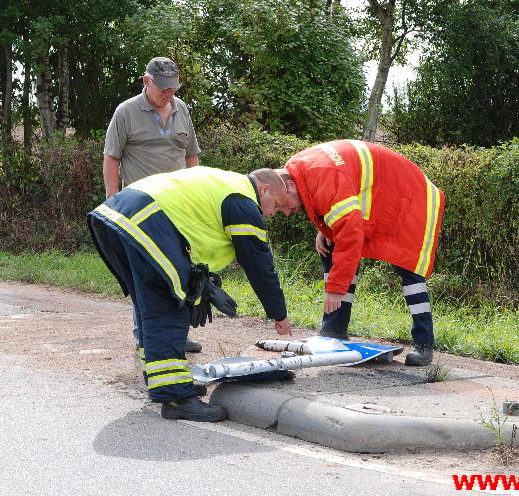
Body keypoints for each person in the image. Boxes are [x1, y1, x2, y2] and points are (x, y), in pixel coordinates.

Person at [87, 166, 293, 422]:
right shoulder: (243, 201)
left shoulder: (228, 184)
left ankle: (164, 383)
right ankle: (177, 399)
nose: (272, 213)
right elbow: (258, 263)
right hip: (144, 221)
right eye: (276, 204)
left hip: (118, 217)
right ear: (264, 189)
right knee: (168, 310)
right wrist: (278, 313)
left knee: (150, 307)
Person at [272, 140, 445, 366]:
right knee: (331, 248)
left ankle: (424, 344)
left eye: (283, 204)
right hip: (381, 198)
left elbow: (350, 236)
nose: (286, 212)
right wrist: (324, 227)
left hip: (411, 198)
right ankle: (334, 330)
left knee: (408, 268)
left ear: (289, 187)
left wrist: (336, 289)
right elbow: (327, 198)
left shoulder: (322, 175)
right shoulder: (297, 169)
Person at [102, 56, 203, 353]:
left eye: (172, 88)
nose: (167, 94)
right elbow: (111, 157)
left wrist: (196, 193)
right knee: (145, 273)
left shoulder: (182, 109)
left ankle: (176, 335)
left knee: (179, 270)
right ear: (146, 81)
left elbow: (191, 155)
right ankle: (145, 334)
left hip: (178, 207)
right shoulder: (126, 112)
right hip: (140, 209)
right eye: (162, 88)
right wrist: (112, 199)